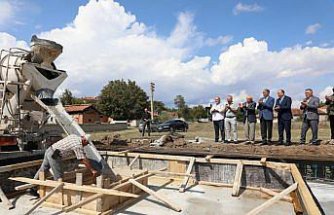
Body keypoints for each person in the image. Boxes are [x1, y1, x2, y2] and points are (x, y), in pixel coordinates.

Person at [30, 135, 98, 197]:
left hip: (50, 150)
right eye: (86, 144)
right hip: (54, 155)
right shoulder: (78, 145)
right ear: (84, 140)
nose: (86, 145)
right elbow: (83, 159)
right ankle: (57, 194)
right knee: (59, 176)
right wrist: (92, 170)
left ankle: (33, 187)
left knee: (43, 170)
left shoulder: (74, 136)